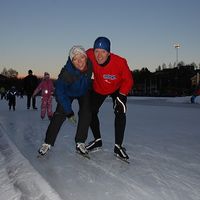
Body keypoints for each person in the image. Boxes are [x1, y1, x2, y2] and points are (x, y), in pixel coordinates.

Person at [38, 45, 93, 156]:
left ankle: (80, 142)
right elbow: (60, 93)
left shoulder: (91, 64)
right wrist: (69, 112)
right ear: (71, 61)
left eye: (81, 57)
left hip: (83, 91)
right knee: (59, 114)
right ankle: (47, 143)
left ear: (86, 57)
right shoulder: (66, 74)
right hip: (68, 93)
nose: (79, 62)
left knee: (86, 112)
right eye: (75, 59)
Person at [86, 36, 134, 160]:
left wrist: (122, 95)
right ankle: (97, 140)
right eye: (97, 51)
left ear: (108, 53)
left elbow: (128, 80)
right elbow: (76, 58)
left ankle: (118, 146)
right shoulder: (89, 55)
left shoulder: (120, 62)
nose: (99, 55)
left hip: (117, 88)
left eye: (103, 52)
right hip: (99, 87)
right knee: (89, 111)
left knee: (120, 111)